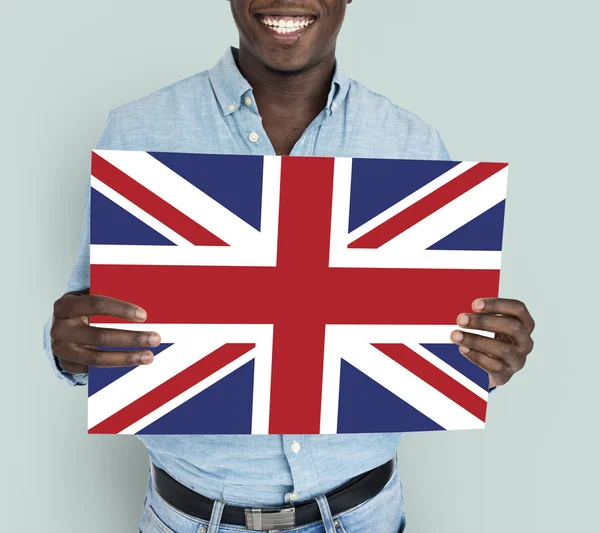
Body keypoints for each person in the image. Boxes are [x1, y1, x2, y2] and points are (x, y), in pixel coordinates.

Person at [44, 1, 536, 532]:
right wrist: (70, 348)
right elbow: (84, 321)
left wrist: (487, 356)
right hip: (190, 519)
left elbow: (441, 344)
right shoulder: (137, 130)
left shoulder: (411, 144)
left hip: (365, 516)